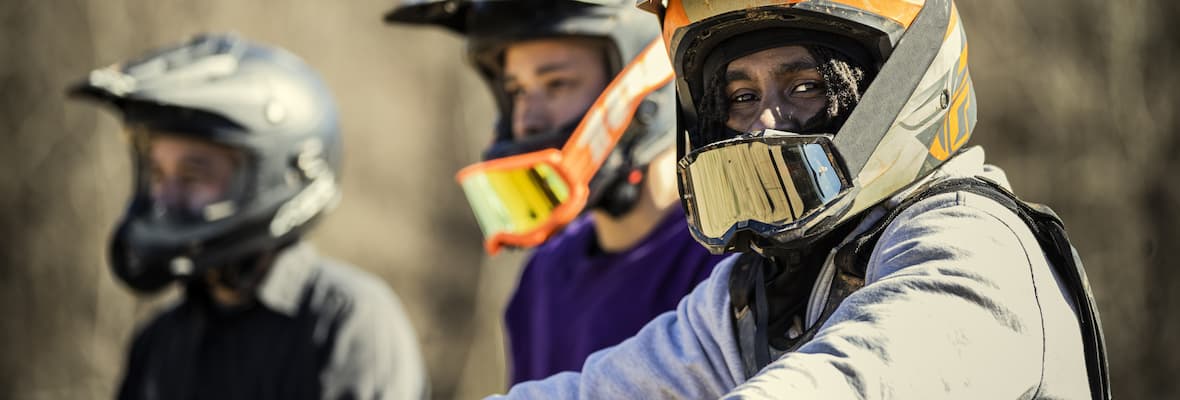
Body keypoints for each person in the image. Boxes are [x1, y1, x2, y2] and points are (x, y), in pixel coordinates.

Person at [490, 0, 1111, 398]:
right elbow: (605, 392)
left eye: (807, 85)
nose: (765, 122)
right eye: (739, 96)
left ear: (890, 87)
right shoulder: (762, 286)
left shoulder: (972, 248)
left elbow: (846, 381)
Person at [68, 33, 428, 400]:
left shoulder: (347, 322)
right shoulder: (159, 343)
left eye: (193, 175)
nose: (167, 196)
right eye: (158, 174)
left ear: (279, 173)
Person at [384, 0, 728, 384]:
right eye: (516, 90)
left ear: (645, 87)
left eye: (556, 84)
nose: (527, 119)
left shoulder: (724, 258)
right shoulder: (545, 276)